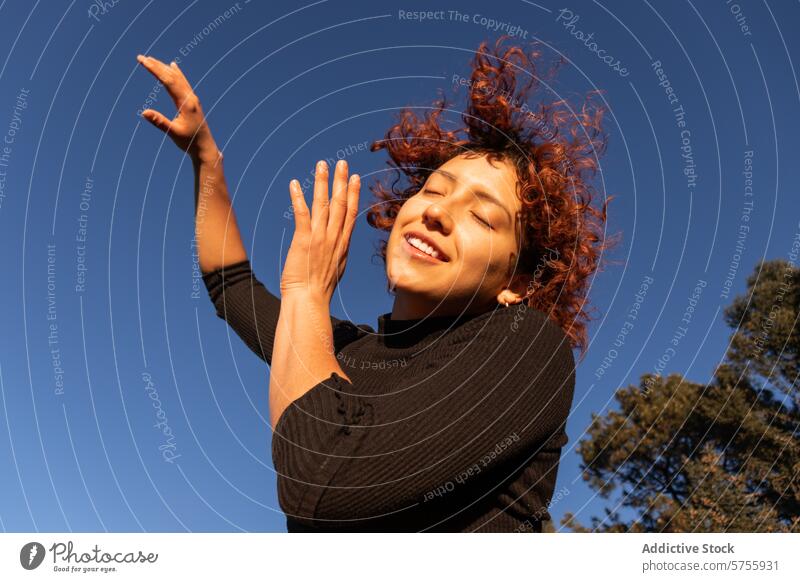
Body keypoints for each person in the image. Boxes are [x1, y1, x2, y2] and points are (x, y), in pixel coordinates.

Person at [136, 36, 614, 532]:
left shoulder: (529, 346)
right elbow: (229, 286)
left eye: (481, 216)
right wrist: (206, 159)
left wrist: (306, 292)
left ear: (516, 283)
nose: (435, 212)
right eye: (433, 190)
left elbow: (322, 484)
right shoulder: (339, 348)